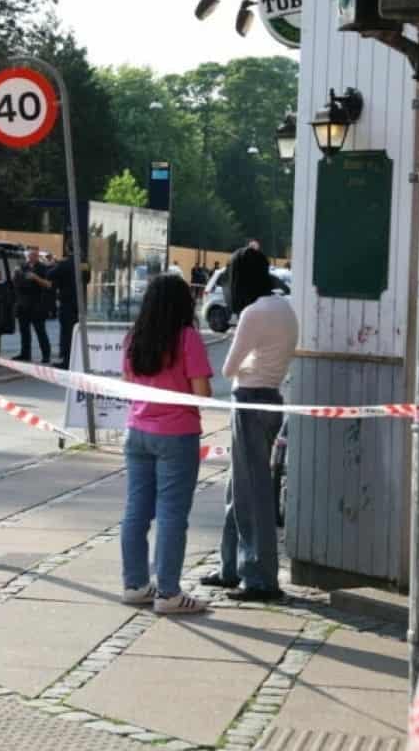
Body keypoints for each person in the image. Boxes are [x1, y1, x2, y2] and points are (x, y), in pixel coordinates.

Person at [201, 247, 297, 601]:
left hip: (249, 401)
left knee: (251, 492)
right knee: (239, 486)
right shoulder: (285, 307)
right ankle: (230, 565)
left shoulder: (253, 313)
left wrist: (243, 358)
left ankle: (258, 576)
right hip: (271, 398)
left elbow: (228, 368)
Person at [120, 273, 213, 615]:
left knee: (136, 511)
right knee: (173, 514)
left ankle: (134, 584)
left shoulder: (134, 337)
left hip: (137, 432)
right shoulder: (187, 337)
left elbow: (128, 382)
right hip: (177, 433)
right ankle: (169, 593)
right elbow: (201, 392)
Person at [12, 246, 52, 363]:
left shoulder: (43, 268)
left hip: (37, 304)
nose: (32, 257)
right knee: (24, 331)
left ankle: (46, 355)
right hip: (24, 304)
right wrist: (16, 276)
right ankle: (25, 354)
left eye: (34, 255)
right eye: (30, 255)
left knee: (40, 331)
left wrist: (36, 278)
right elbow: (16, 284)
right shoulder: (22, 267)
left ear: (37, 255)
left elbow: (48, 285)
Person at [49, 245, 87, 368]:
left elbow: (49, 274)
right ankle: (78, 359)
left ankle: (67, 361)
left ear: (67, 249)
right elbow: (87, 278)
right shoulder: (84, 264)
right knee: (77, 333)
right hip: (80, 304)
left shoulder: (64, 264)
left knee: (67, 334)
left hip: (67, 303)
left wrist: (53, 264)